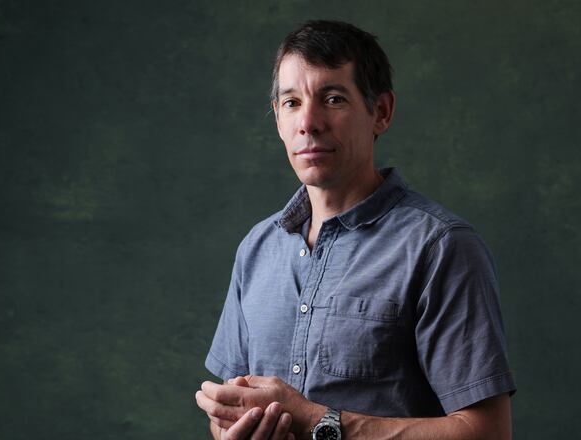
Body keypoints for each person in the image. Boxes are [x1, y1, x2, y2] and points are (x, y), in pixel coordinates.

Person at [195, 20, 516, 440]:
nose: (308, 122)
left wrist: (317, 421)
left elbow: (487, 433)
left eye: (333, 99)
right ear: (277, 119)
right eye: (291, 102)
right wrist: (231, 430)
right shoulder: (257, 248)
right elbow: (227, 414)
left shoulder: (439, 248)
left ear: (380, 112)